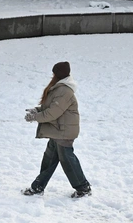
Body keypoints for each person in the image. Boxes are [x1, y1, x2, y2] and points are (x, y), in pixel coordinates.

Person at [22, 61, 92, 198]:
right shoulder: (59, 88)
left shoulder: (64, 91)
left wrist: (35, 117)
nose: (52, 76)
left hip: (63, 132)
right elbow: (50, 107)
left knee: (68, 161)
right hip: (58, 130)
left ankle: (83, 188)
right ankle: (37, 187)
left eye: (54, 73)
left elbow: (52, 113)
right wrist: (36, 110)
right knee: (49, 160)